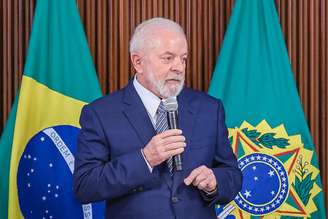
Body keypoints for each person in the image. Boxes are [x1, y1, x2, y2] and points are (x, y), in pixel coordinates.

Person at [73, 17, 242, 219]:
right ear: (138, 62)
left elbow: (232, 175)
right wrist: (144, 159)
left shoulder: (209, 109)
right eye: (168, 58)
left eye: (183, 58)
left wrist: (214, 182)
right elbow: (85, 186)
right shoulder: (100, 113)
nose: (179, 67)